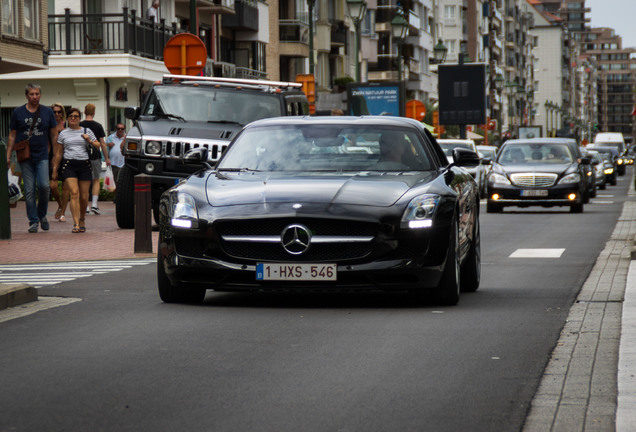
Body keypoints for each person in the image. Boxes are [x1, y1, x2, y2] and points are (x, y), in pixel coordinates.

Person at [6, 83, 57, 233]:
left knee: (44, 186)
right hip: (25, 156)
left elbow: (54, 135)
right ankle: (33, 221)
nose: (35, 97)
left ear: (40, 95)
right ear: (26, 96)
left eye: (37, 94)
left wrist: (55, 154)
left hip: (42, 154)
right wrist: (8, 155)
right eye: (31, 94)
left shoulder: (47, 112)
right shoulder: (18, 112)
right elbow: (12, 135)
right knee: (29, 190)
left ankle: (42, 215)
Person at [51, 108, 99, 233]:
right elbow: (59, 153)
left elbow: (98, 145)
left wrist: (88, 139)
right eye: (71, 116)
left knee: (84, 197)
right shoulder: (63, 133)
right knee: (74, 192)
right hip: (69, 165)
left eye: (76, 116)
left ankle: (82, 219)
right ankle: (76, 223)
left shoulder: (86, 131)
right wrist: (55, 170)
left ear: (80, 118)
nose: (73, 118)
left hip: (84, 165)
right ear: (67, 118)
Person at [80, 103, 109, 215]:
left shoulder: (80, 125)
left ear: (85, 111)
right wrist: (106, 158)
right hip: (95, 156)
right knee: (96, 179)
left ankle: (85, 206)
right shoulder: (98, 126)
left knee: (84, 180)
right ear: (94, 113)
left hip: (83, 155)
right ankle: (94, 205)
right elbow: (102, 143)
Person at [51, 103, 70, 222]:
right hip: (52, 157)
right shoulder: (48, 125)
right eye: (54, 112)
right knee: (52, 185)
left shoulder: (67, 126)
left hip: (66, 157)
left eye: (59, 112)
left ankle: (63, 212)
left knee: (65, 187)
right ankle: (60, 205)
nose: (57, 114)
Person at [105, 123, 126, 200]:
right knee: (114, 182)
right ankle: (117, 197)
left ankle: (121, 198)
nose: (120, 130)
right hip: (113, 163)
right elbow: (104, 147)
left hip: (123, 163)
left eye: (122, 129)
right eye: (118, 128)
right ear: (116, 129)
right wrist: (108, 145)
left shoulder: (126, 138)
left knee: (121, 182)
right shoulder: (111, 137)